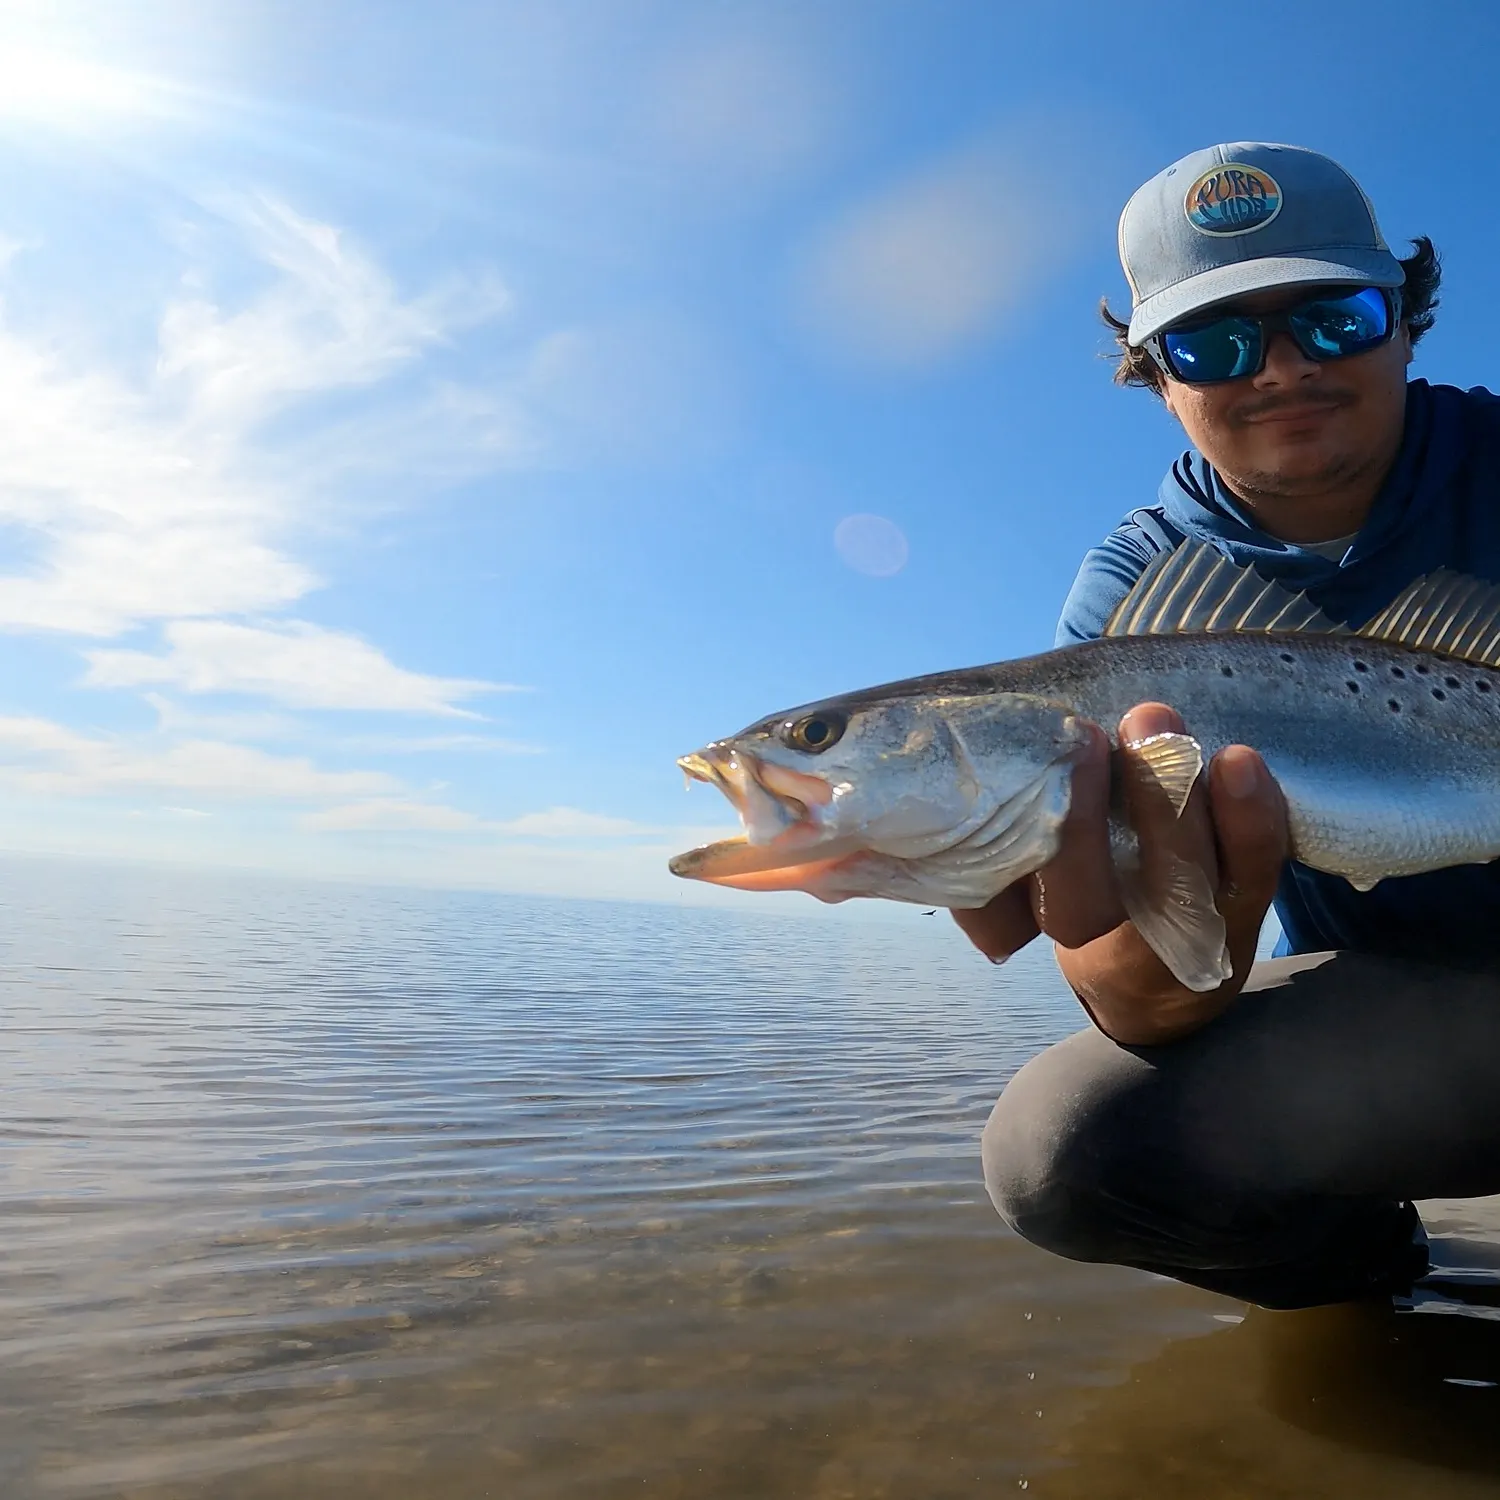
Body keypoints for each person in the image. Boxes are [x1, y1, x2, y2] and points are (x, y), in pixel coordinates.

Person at [962, 142, 1500, 1309]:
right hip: (1414, 1019)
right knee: (1069, 1147)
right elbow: (1139, 1000)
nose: (1283, 370)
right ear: (1157, 377)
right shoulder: (1127, 608)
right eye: (1215, 344)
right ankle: (1368, 1290)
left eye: (1336, 319)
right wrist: (1166, 940)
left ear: (1404, 319)